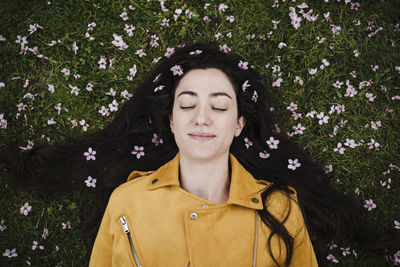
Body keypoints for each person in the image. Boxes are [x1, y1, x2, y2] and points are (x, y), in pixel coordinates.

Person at [3, 42, 398, 266]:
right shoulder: (126, 203)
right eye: (187, 104)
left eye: (220, 106)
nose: (202, 118)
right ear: (171, 123)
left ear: (239, 124)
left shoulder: (280, 209)